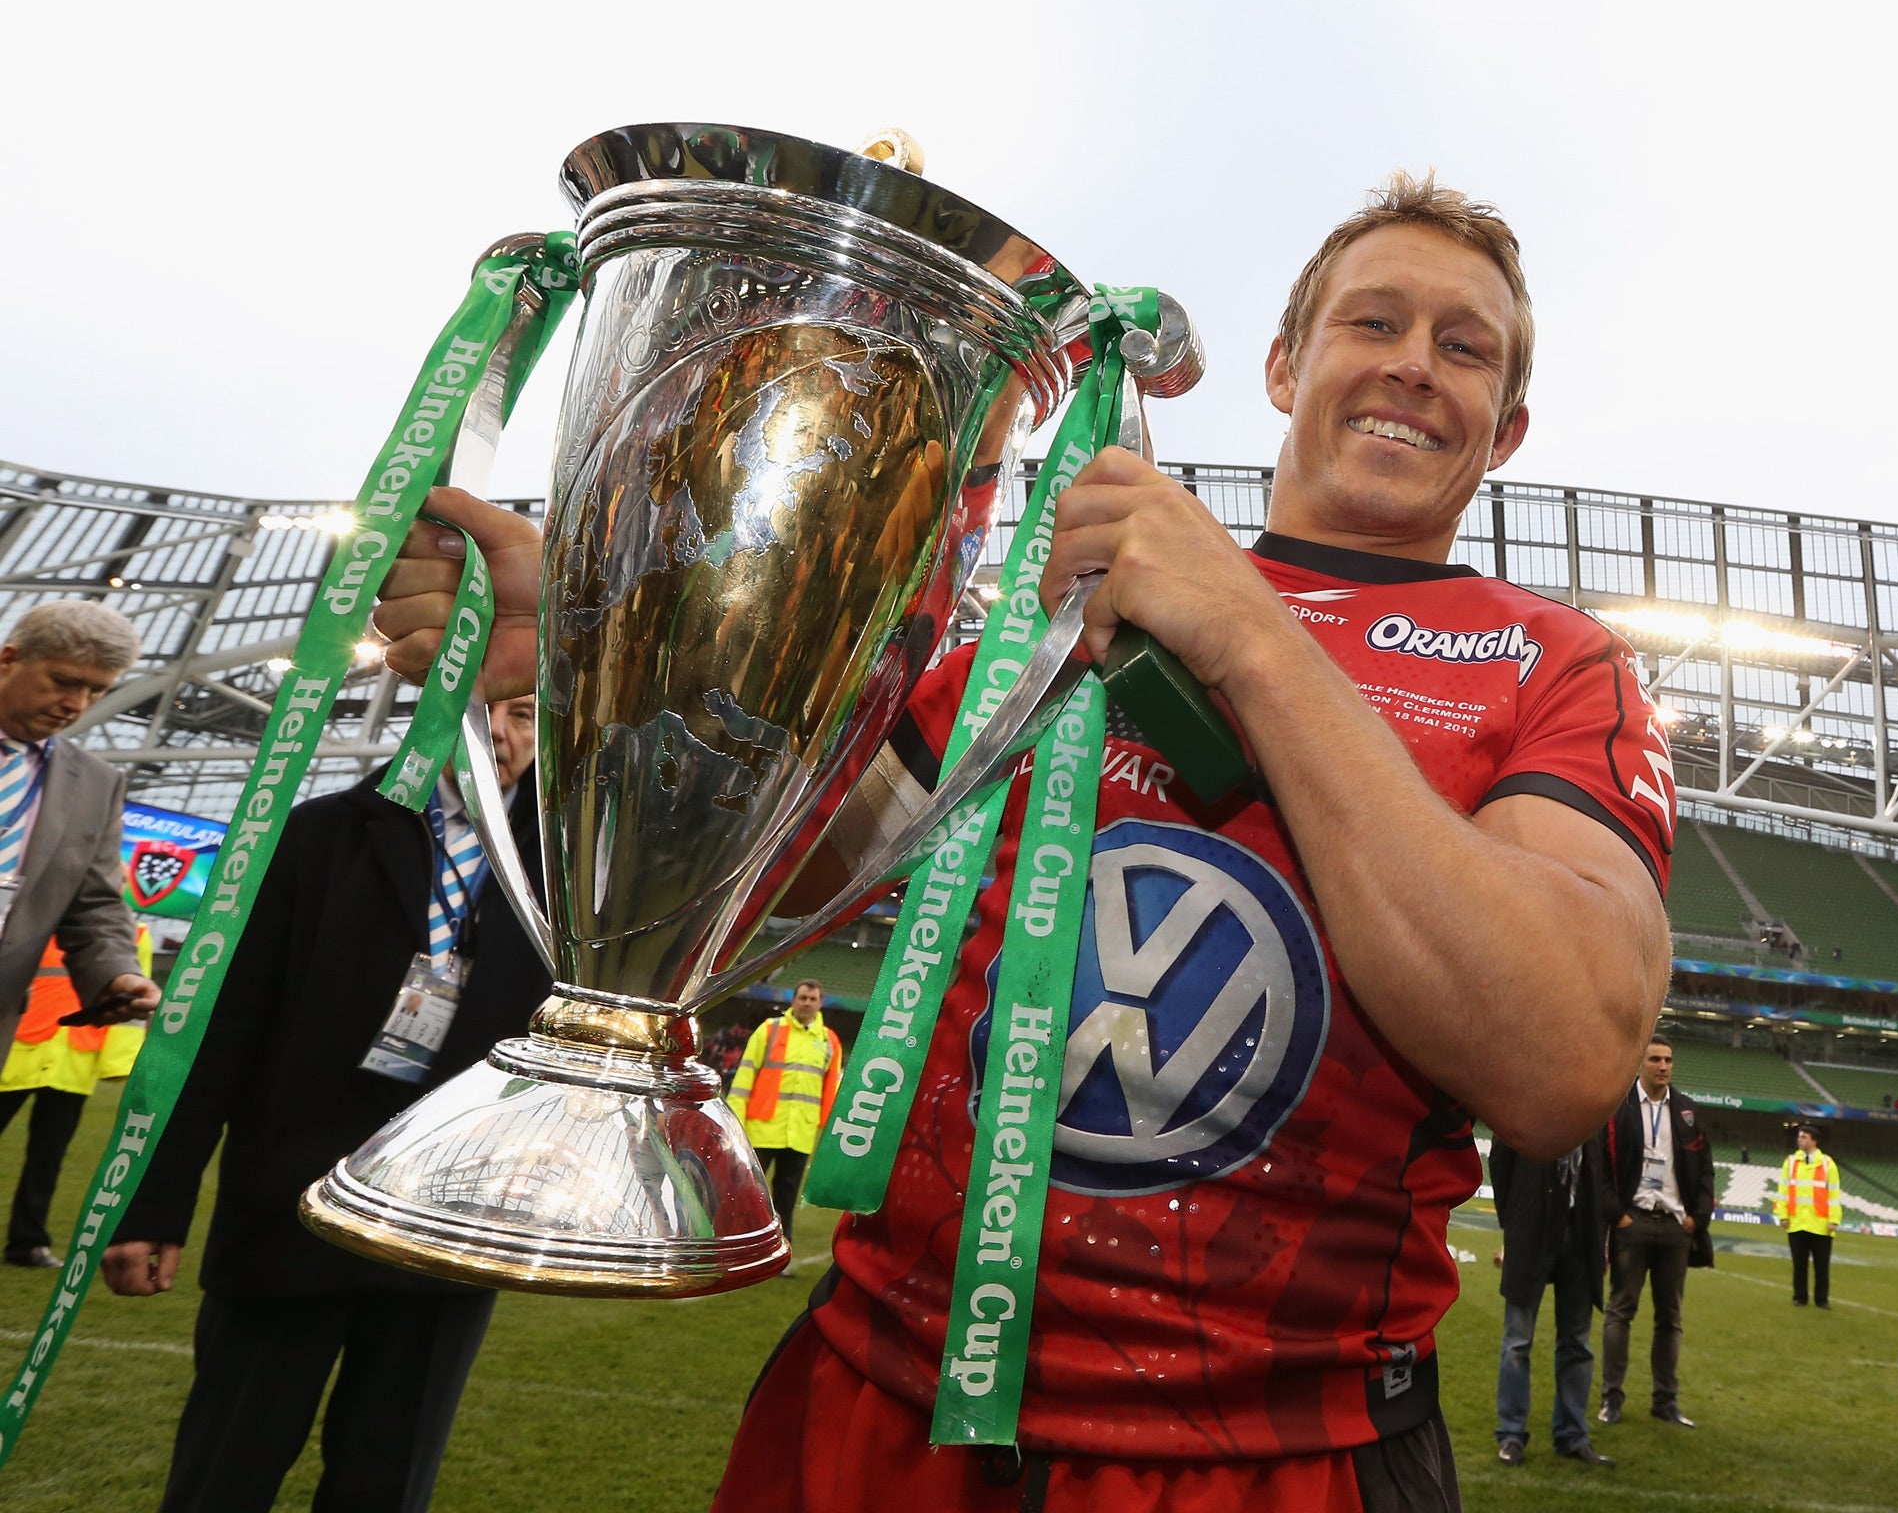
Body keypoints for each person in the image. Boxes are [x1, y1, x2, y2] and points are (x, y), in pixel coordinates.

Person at [374, 172, 1675, 1512]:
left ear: (1506, 428)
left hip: (1268, 1455)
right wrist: (620, 650)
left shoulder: (1555, 667)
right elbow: (778, 876)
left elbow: (1560, 1057)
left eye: (1462, 349)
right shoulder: (1053, 612)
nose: (1412, 366)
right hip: (886, 1399)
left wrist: (1252, 637)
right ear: (1287, 366)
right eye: (1374, 324)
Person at [103, 698, 552, 1513]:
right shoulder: (319, 833)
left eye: (527, 717)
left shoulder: (571, 866)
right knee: (225, 1469)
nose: (505, 738)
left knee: (386, 1482)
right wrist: (154, 1206)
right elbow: (222, 1029)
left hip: (449, 1221)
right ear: (434, 715)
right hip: (289, 1204)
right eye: (485, 714)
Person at [0, 601, 159, 1044]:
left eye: (97, 690)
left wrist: (116, 974)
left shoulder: (97, 784)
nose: (76, 704)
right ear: (8, 659)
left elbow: (94, 905)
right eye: (64, 682)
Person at [0, 924, 149, 1267]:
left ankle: (28, 1244)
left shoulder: (137, 932)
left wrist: (119, 1062)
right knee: (46, 1158)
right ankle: (28, 1243)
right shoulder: (34, 916)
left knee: (47, 1160)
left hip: (73, 1058)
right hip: (16, 1050)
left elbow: (132, 1008)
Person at [1597, 1034, 1714, 1428]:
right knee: (1620, 1312)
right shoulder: (1620, 1107)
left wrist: (1696, 1220)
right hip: (1634, 1222)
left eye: (1668, 1060)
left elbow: (1706, 1171)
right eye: (1655, 1059)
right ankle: (1611, 1399)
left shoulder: (1687, 1112)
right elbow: (1598, 1167)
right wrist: (1618, 1216)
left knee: (1671, 1317)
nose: (1663, 1066)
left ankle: (1666, 1400)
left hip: (1675, 1228)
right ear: (1640, 1063)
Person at [1491, 1136, 1612, 1469]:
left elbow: (1603, 1174)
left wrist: (1601, 1235)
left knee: (1577, 1345)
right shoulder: (1528, 1099)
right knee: (1517, 1342)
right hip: (1531, 1233)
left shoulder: (1594, 1106)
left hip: (1580, 1237)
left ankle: (1573, 1436)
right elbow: (1501, 1162)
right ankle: (1511, 1435)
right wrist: (1513, 1224)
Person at [726, 979, 843, 1243]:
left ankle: (778, 1252)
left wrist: (827, 1137)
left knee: (786, 1200)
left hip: (800, 1134)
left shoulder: (829, 1041)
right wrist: (736, 1123)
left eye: (812, 999)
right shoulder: (770, 1030)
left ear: (820, 1003)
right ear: (793, 1000)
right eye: (802, 997)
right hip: (761, 1129)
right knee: (745, 1192)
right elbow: (744, 1077)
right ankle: (730, 1244)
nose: (806, 1003)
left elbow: (830, 1091)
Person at [1773, 1122, 1840, 1307]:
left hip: (1820, 1223)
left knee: (1822, 1266)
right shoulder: (1791, 1162)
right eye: (1799, 1136)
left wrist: (1834, 1220)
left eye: (1804, 1137)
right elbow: (1783, 1190)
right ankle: (1800, 1297)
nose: (1799, 1140)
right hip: (1797, 1222)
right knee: (1799, 1264)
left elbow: (1834, 1194)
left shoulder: (1827, 1164)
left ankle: (1822, 1299)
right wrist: (1783, 1215)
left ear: (1814, 1141)